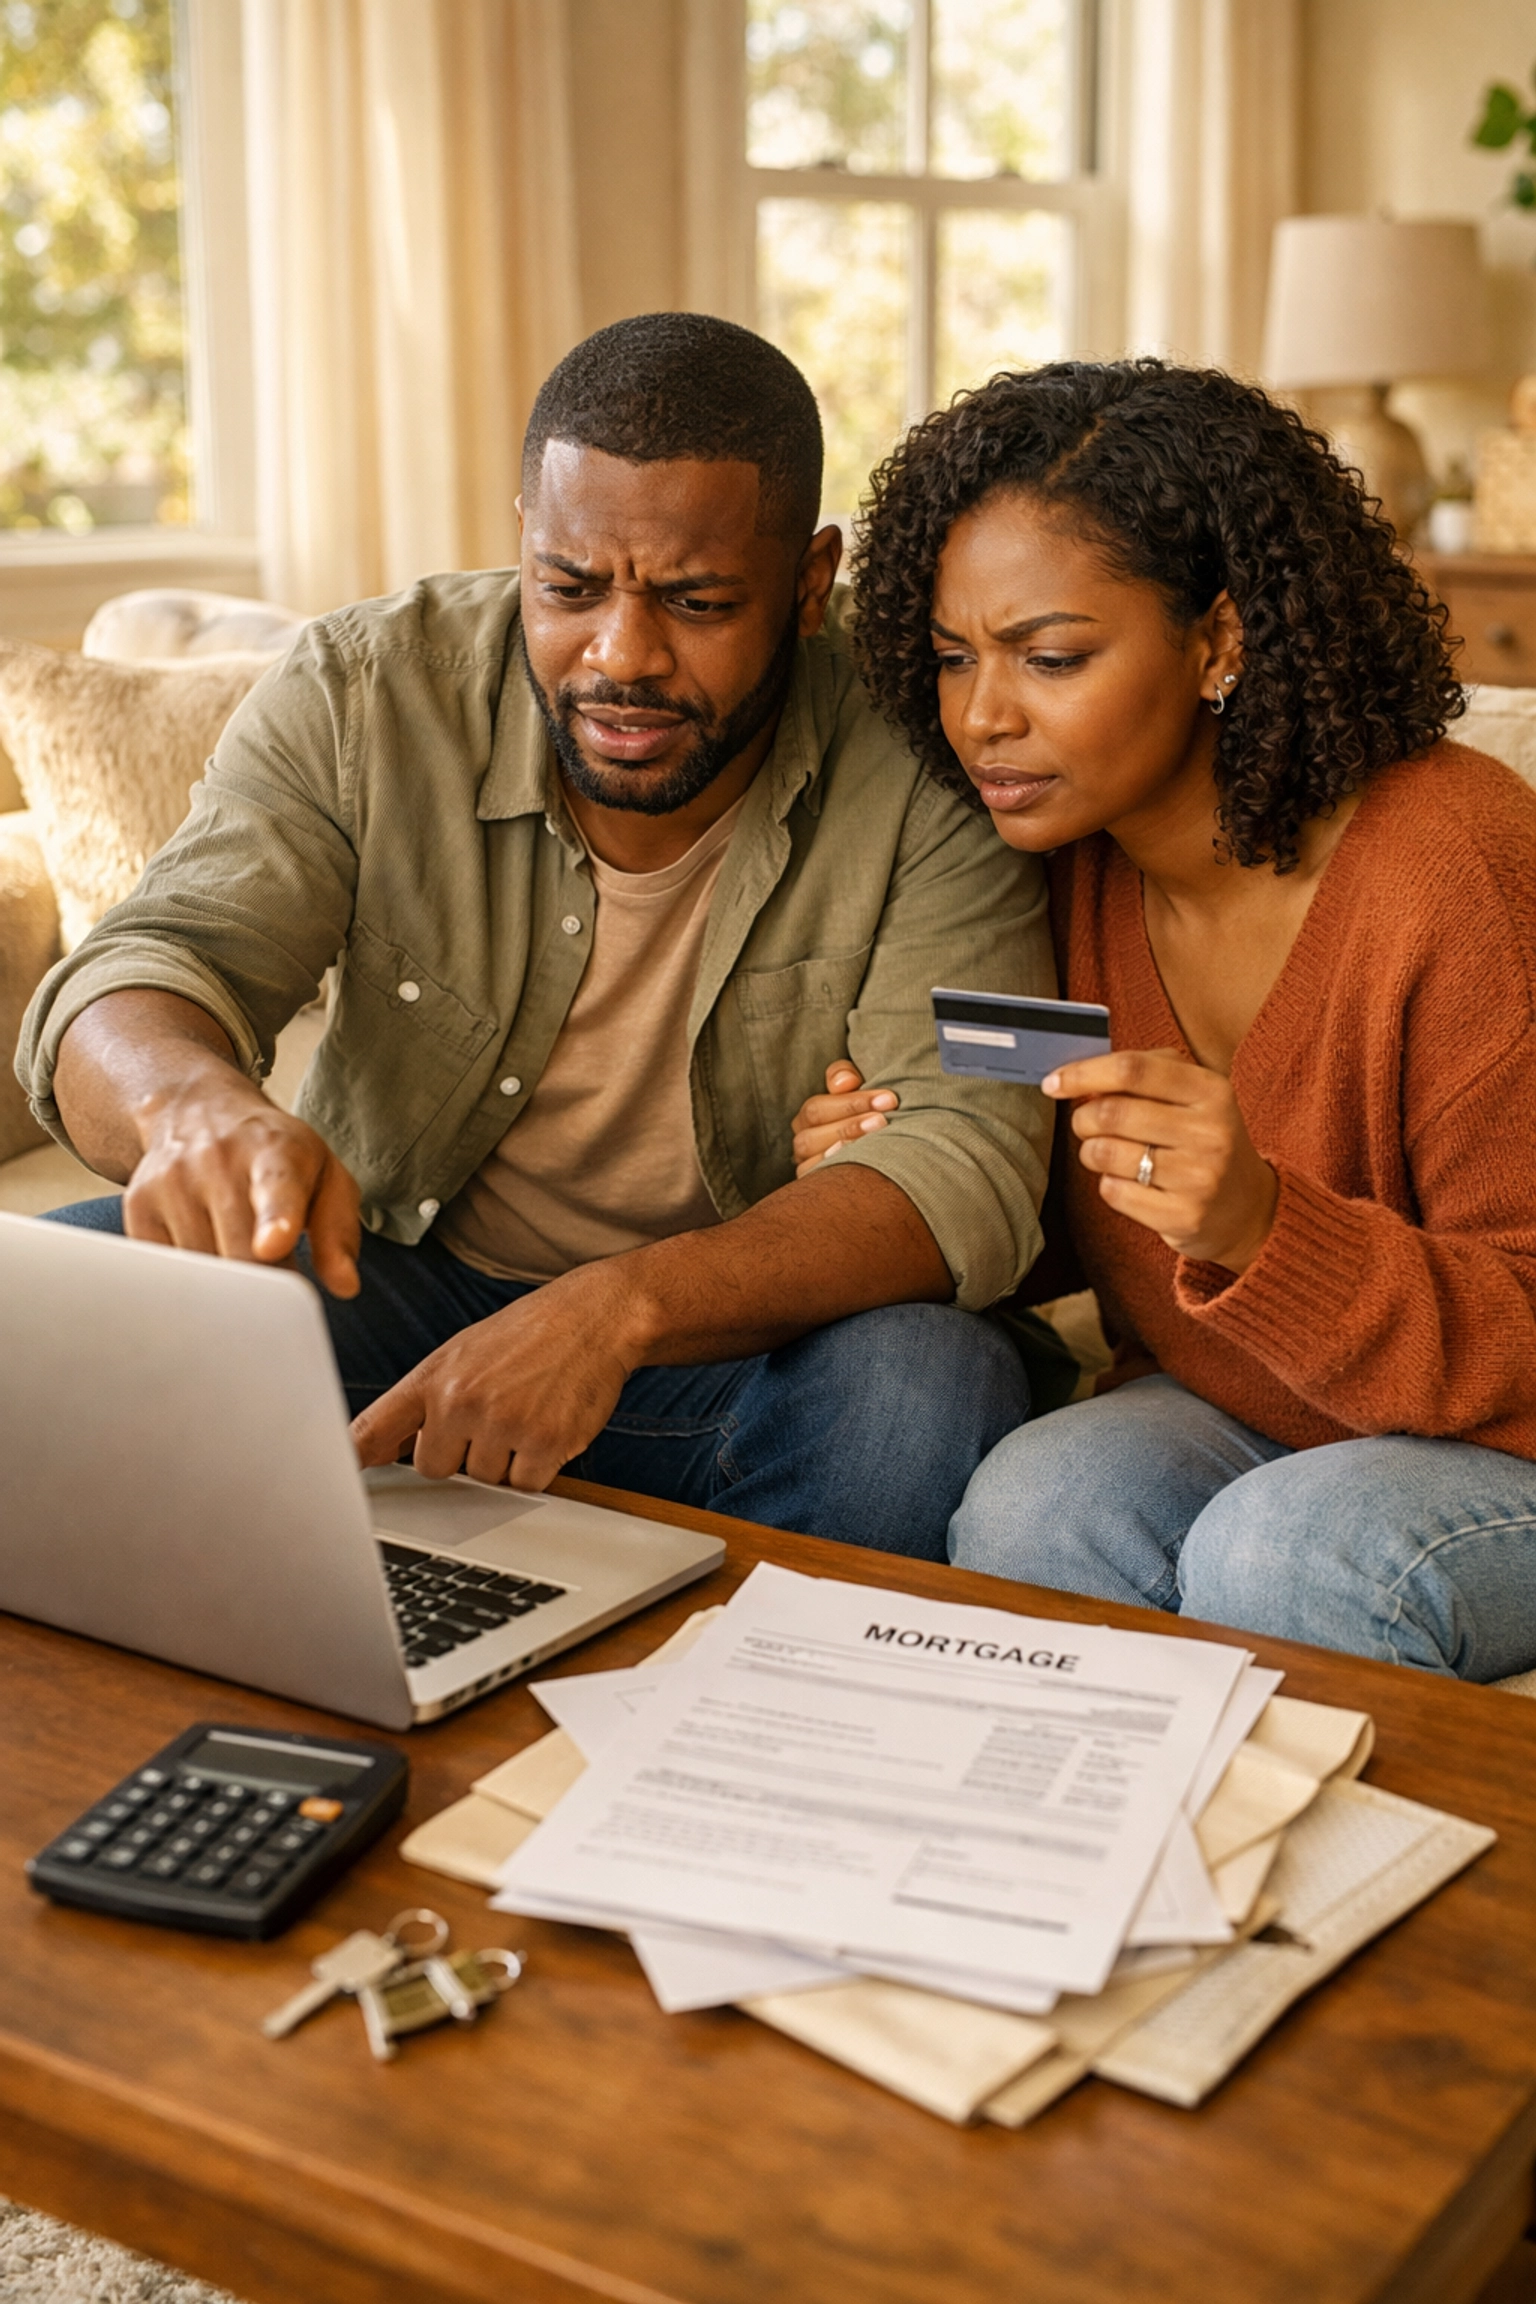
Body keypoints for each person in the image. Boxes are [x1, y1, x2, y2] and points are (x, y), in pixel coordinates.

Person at [17, 314, 1054, 1557]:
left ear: (809, 581)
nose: (620, 657)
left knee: (920, 1393)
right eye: (567, 588)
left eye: (698, 601)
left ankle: (745, 1717)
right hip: (401, 1285)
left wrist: (614, 1311)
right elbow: (143, 970)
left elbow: (968, 1162)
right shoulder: (367, 690)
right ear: (525, 539)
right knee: (39, 1308)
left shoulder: (927, 756)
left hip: (736, 1351)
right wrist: (192, 1104)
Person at [791, 357, 1536, 1674]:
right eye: (955, 658)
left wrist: (1264, 1228)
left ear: (1220, 641)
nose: (982, 717)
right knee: (1038, 1503)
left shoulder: (1452, 871)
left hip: (1501, 1435)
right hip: (1251, 1406)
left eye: (1052, 657)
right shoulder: (1039, 872)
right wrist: (907, 1169)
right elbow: (1070, 1224)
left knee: (1287, 1551)